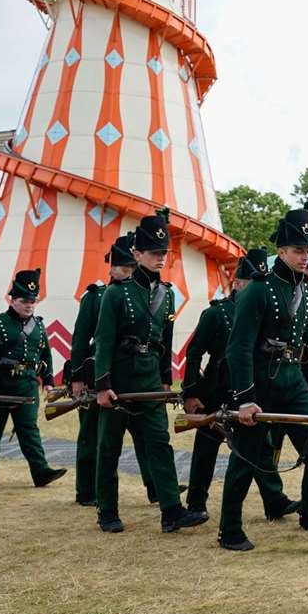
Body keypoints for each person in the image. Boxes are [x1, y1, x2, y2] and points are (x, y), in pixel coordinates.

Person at [218, 204, 308, 553]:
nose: (304, 256)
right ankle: (229, 529)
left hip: (293, 381)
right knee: (246, 458)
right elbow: (238, 348)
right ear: (281, 251)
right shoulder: (259, 290)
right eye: (298, 250)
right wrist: (245, 398)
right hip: (260, 384)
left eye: (307, 251)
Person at [92, 209, 206, 535]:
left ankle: (171, 511)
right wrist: (102, 385)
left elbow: (164, 341)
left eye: (163, 254)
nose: (160, 259)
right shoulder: (116, 293)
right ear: (137, 254)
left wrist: (167, 379)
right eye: (154, 253)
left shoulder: (166, 294)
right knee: (110, 448)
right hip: (119, 378)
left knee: (159, 443)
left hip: (150, 380)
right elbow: (103, 341)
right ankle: (107, 510)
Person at [180, 247, 298, 520]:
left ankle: (274, 500)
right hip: (218, 389)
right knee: (206, 450)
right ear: (238, 282)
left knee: (260, 447)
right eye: (250, 281)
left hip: (250, 387)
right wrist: (191, 392)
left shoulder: (266, 308)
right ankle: (196, 502)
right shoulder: (216, 314)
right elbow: (194, 351)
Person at [65, 234, 158, 509]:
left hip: (132, 374)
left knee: (144, 436)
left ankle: (156, 487)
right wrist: (78, 377)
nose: (130, 274)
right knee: (92, 437)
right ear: (112, 268)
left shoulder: (147, 295)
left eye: (133, 268)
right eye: (125, 269)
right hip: (99, 373)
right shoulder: (97, 297)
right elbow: (81, 339)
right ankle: (86, 490)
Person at [0, 268, 66, 489]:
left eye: (33, 301)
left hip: (26, 385)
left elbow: (45, 354)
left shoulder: (39, 326)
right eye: (24, 300)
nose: (29, 305)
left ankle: (40, 471)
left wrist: (49, 380)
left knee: (29, 430)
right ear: (12, 299)